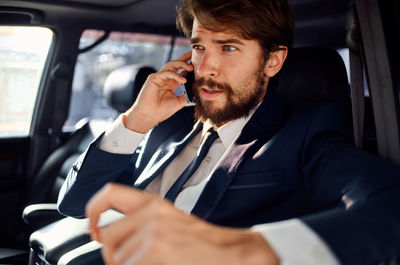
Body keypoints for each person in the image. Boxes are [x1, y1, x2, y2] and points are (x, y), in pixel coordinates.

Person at [58, 0, 400, 264]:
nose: (205, 68)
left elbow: (390, 207)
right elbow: (75, 203)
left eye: (229, 47)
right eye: (199, 47)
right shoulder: (169, 123)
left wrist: (237, 249)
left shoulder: (304, 134)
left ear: (272, 61)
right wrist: (136, 119)